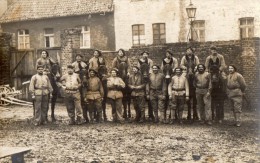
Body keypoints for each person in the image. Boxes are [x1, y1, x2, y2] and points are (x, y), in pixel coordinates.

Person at [180, 46, 200, 121]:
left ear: (192, 51)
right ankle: (182, 87)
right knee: (183, 77)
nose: (188, 51)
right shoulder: (184, 58)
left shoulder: (195, 57)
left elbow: (198, 64)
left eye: (190, 50)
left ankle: (195, 113)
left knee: (198, 76)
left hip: (194, 70)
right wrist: (185, 68)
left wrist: (195, 68)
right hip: (186, 71)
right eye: (187, 50)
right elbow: (181, 65)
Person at [112, 49, 131, 119]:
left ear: (123, 52)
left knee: (129, 83)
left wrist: (128, 72)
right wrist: (116, 70)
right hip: (119, 73)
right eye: (119, 52)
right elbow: (113, 67)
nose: (120, 53)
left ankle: (128, 111)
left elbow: (129, 66)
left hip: (125, 74)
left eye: (121, 52)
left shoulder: (127, 58)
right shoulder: (115, 59)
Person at [137, 51, 154, 121]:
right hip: (142, 75)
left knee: (150, 98)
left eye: (146, 54)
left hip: (148, 74)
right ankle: (140, 115)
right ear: (142, 55)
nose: (145, 55)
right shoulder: (139, 61)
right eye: (144, 54)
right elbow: (138, 69)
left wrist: (148, 74)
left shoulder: (150, 61)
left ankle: (151, 114)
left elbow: (151, 69)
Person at [71, 53, 89, 122]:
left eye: (79, 57)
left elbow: (86, 71)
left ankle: (85, 116)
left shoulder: (84, 64)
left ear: (81, 58)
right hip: (76, 78)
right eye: (77, 57)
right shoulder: (73, 64)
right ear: (75, 58)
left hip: (83, 78)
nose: (78, 58)